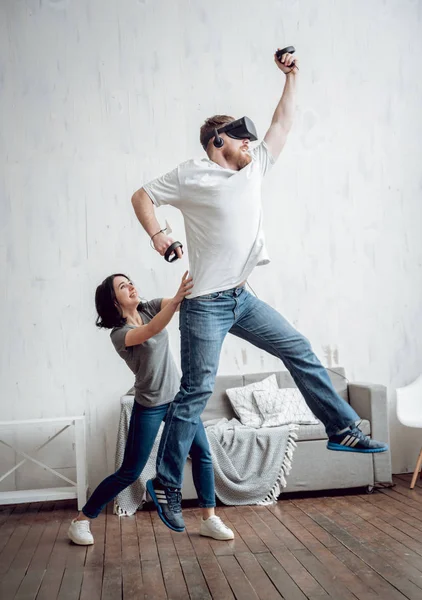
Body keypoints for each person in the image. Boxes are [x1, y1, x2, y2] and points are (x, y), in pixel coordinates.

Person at [130, 49, 389, 532]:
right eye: (241, 138)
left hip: (242, 298)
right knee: (195, 392)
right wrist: (160, 235)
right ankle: (165, 483)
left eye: (251, 138)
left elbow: (283, 124)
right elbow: (141, 196)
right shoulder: (192, 174)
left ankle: (342, 429)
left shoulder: (254, 167)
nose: (251, 144)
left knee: (299, 348)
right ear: (217, 141)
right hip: (205, 304)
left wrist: (292, 77)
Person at [67, 272, 234, 544]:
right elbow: (153, 329)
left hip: (179, 400)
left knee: (203, 453)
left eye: (130, 281)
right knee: (130, 471)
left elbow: (179, 302)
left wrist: (200, 280)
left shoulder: (150, 306)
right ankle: (82, 520)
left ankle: (209, 518)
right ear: (114, 300)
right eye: (123, 286)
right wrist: (177, 297)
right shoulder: (119, 334)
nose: (131, 286)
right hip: (150, 405)